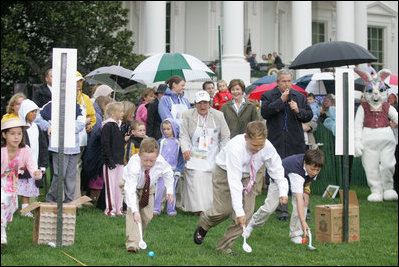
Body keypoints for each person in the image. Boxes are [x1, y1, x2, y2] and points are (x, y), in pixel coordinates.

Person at [193, 121, 288, 255]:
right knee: (223, 211)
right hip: (224, 172)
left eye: (261, 145)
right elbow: (234, 181)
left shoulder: (267, 147)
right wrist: (239, 211)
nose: (258, 148)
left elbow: (277, 168)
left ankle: (223, 248)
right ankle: (205, 223)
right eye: (254, 145)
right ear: (246, 138)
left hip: (249, 177)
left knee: (246, 216)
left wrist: (283, 191)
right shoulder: (235, 147)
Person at [260, 69, 313, 221]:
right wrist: (280, 101)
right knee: (278, 175)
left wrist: (298, 110)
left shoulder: (300, 97)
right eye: (284, 81)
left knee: (300, 175)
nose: (287, 84)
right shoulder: (268, 96)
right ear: (277, 82)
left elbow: (308, 115)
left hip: (295, 142)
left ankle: (303, 209)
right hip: (276, 142)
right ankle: (281, 210)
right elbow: (265, 113)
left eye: (289, 81)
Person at [243, 148, 325, 244]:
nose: (315, 172)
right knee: (269, 208)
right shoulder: (297, 172)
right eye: (312, 169)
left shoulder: (313, 164)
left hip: (296, 180)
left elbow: (308, 180)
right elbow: (298, 199)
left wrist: (306, 192)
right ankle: (252, 224)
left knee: (304, 203)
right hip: (279, 179)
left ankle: (296, 234)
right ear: (304, 162)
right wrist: (304, 222)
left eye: (317, 170)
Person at [180, 91, 230, 214]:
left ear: (210, 103)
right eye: (200, 103)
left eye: (205, 103)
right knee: (196, 178)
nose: (202, 106)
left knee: (211, 179)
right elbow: (184, 135)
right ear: (195, 104)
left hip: (213, 153)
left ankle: (211, 207)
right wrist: (185, 148)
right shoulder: (187, 115)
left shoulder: (218, 115)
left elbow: (225, 136)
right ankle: (197, 208)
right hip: (195, 153)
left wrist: (222, 152)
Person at [121, 138, 174, 252]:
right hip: (130, 186)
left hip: (148, 187)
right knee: (133, 214)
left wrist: (169, 191)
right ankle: (132, 244)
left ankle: (139, 238)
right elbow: (130, 189)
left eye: (152, 161)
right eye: (145, 160)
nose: (149, 164)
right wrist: (135, 211)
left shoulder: (161, 162)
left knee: (147, 216)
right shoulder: (134, 165)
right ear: (139, 155)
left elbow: (168, 173)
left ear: (157, 157)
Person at [34, 97, 85, 204]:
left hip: (73, 147)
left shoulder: (77, 106)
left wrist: (63, 128)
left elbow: (81, 123)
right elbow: (38, 118)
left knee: (71, 176)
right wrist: (48, 126)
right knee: (59, 174)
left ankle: (69, 201)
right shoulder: (51, 105)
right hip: (57, 147)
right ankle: (51, 198)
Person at [1, 118, 43, 245]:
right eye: (12, 133)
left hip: (12, 181)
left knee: (8, 205)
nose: (16, 137)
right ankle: (2, 232)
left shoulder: (25, 150)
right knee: (2, 201)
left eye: (19, 133)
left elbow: (32, 168)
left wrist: (37, 174)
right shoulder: (2, 150)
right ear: (4, 134)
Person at [17, 99, 48, 217]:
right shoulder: (20, 129)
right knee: (16, 187)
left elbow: (43, 147)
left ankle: (25, 210)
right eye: (31, 112)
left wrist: (43, 165)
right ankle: (10, 208)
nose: (34, 114)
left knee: (28, 188)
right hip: (21, 165)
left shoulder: (37, 128)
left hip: (34, 164)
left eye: (35, 112)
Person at [82, 96, 113, 205]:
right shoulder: (98, 117)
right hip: (94, 150)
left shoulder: (99, 115)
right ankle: (89, 197)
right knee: (92, 176)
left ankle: (90, 197)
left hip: (94, 149)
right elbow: (97, 134)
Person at [101, 102, 125, 216]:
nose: (122, 113)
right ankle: (110, 209)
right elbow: (105, 145)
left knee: (119, 185)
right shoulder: (107, 126)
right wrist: (109, 160)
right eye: (120, 111)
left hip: (119, 160)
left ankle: (119, 207)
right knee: (111, 186)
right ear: (113, 113)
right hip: (110, 162)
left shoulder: (119, 126)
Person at [153, 119, 181, 216]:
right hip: (161, 170)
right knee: (159, 189)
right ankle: (156, 208)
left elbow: (180, 158)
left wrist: (178, 170)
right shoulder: (160, 141)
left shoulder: (178, 143)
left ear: (173, 129)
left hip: (172, 171)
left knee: (171, 190)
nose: (166, 131)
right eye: (164, 129)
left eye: (168, 129)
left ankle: (171, 209)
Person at [76, 71, 96, 200]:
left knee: (78, 168)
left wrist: (90, 126)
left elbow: (92, 117)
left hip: (82, 139)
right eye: (76, 81)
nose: (78, 84)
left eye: (80, 81)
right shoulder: (64, 97)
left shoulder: (85, 98)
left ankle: (76, 196)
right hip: (68, 139)